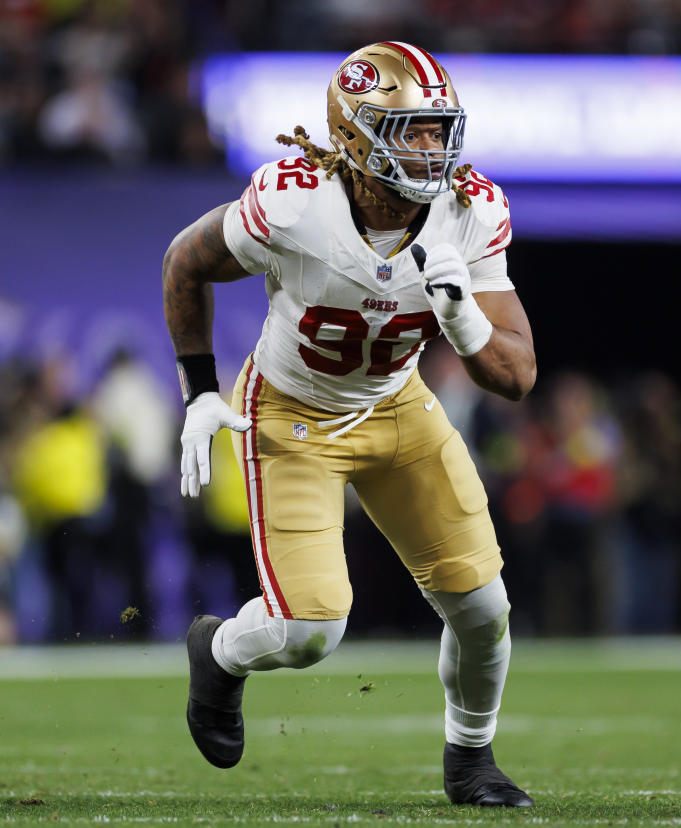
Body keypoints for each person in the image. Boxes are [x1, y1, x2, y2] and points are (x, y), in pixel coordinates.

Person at [161, 41, 536, 807]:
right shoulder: (295, 202)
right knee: (309, 632)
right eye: (411, 130)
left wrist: (462, 320)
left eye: (439, 129)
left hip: (397, 406)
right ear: (356, 135)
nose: (432, 148)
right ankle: (219, 651)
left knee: (483, 609)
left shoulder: (472, 210)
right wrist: (199, 390)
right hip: (293, 413)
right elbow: (185, 263)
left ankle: (470, 760)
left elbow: (518, 376)